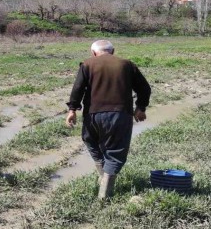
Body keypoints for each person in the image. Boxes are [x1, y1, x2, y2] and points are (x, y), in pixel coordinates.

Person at [65, 40, 151, 199]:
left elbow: (77, 89)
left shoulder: (87, 64)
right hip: (120, 114)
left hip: (93, 115)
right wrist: (140, 108)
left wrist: (72, 110)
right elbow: (144, 89)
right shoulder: (127, 64)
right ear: (113, 51)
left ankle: (103, 179)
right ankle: (105, 192)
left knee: (90, 141)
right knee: (116, 150)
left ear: (93, 52)